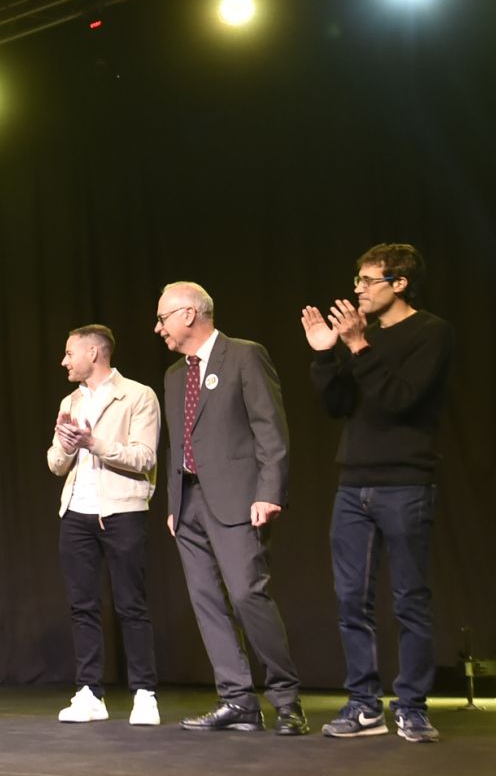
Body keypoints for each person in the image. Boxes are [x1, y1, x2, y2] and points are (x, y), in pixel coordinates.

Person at [303, 243, 453, 743]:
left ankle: (411, 706)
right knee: (351, 601)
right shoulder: (360, 339)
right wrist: (327, 353)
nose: (358, 290)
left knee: (409, 599)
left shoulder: (431, 332)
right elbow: (338, 404)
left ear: (399, 283)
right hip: (353, 484)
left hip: (405, 483)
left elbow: (400, 400)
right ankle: (364, 705)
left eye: (367, 281)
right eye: (358, 281)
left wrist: (358, 347)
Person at [155, 282, 305, 735]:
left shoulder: (244, 356)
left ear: (188, 314)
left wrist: (270, 490)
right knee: (206, 603)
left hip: (239, 498)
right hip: (189, 504)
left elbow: (270, 429)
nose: (157, 327)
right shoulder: (174, 375)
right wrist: (173, 502)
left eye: (162, 317)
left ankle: (286, 697)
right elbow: (178, 443)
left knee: (246, 594)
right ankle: (237, 699)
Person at [46, 325, 162, 726]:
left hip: (123, 510)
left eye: (69, 353)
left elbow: (144, 457)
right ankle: (90, 692)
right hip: (76, 512)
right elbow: (55, 465)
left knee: (131, 603)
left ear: (94, 353)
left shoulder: (137, 395)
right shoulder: (70, 401)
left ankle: (144, 693)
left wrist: (94, 444)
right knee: (82, 605)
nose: (64, 361)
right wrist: (65, 443)